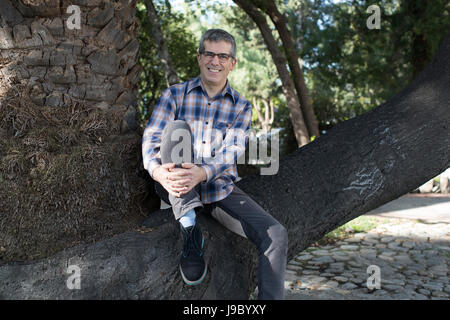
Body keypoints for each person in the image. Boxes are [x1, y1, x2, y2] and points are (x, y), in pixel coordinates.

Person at [142, 29, 288, 300]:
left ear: (232, 63)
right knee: (176, 130)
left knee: (276, 234)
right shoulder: (174, 95)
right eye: (209, 53)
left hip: (218, 188)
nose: (215, 61)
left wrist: (204, 172)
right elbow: (151, 137)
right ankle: (190, 231)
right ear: (199, 58)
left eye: (223, 56)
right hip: (176, 184)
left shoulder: (241, 106)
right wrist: (157, 170)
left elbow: (233, 149)